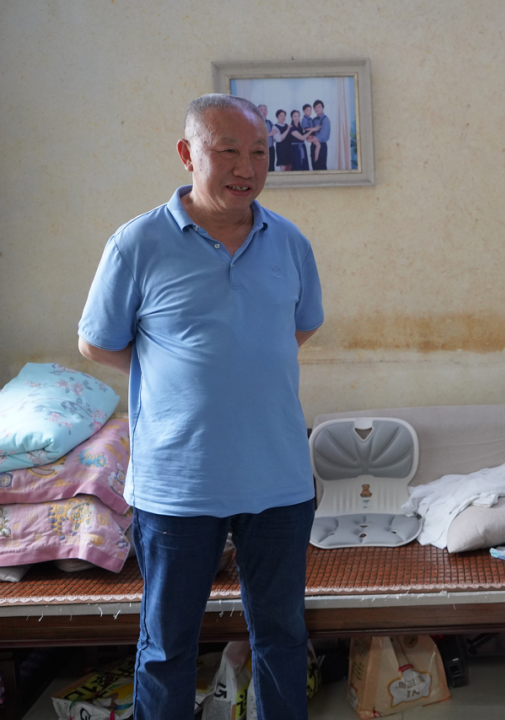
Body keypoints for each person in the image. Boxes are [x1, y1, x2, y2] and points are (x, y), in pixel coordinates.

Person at [77, 93, 323, 720]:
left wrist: (230, 369)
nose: (247, 167)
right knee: (166, 646)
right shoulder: (137, 243)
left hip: (278, 478)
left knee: (283, 637)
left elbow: (298, 328)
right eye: (228, 151)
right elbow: (98, 343)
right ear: (188, 154)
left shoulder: (290, 243)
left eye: (260, 152)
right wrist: (176, 373)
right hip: (177, 483)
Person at [309, 100, 330, 170]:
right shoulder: (313, 120)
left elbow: (323, 136)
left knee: (321, 168)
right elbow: (308, 133)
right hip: (313, 146)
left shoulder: (325, 119)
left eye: (319, 107)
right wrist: (308, 137)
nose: (317, 109)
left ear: (323, 108)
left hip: (321, 147)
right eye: (315, 107)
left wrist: (310, 139)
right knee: (314, 167)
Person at [300, 103, 322, 168]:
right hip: (308, 134)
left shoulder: (310, 118)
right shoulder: (304, 119)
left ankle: (316, 158)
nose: (309, 112)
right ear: (304, 111)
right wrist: (314, 129)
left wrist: (316, 127)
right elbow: (306, 128)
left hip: (311, 133)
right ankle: (316, 159)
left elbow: (312, 126)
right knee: (318, 145)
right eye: (307, 110)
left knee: (318, 145)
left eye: (310, 110)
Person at [258, 103, 276, 172]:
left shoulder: (270, 122)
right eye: (261, 110)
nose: (263, 111)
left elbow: (275, 134)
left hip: (270, 148)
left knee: (271, 166)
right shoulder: (255, 122)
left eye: (265, 110)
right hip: (260, 148)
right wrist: (270, 134)